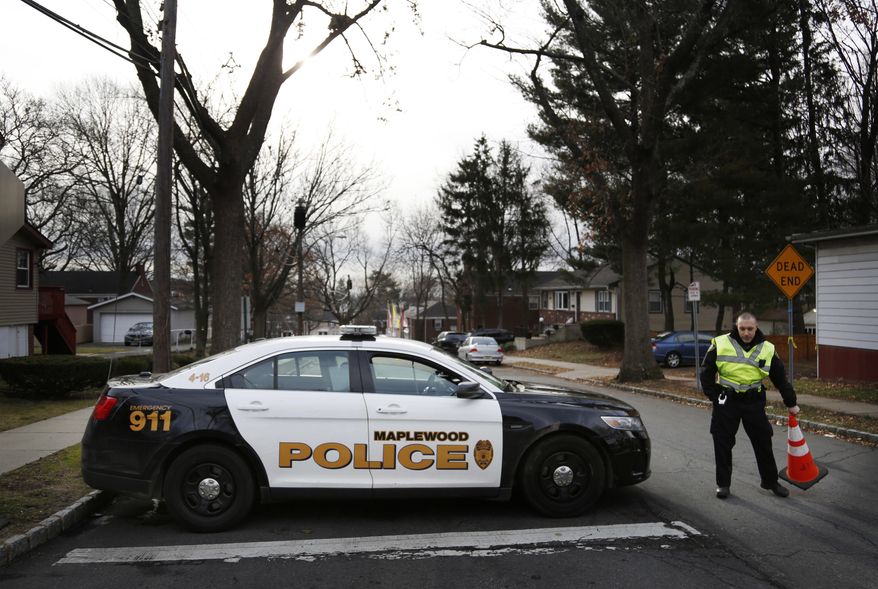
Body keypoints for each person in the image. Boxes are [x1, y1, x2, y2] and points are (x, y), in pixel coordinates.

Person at [700, 312, 800, 499]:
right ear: (737, 327)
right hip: (727, 401)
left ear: (756, 327)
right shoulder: (720, 343)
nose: (746, 333)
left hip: (753, 402)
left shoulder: (767, 348)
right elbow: (706, 373)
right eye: (742, 328)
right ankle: (723, 485)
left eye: (750, 329)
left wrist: (791, 402)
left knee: (763, 442)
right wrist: (714, 396)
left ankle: (770, 482)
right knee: (722, 442)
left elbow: (780, 378)